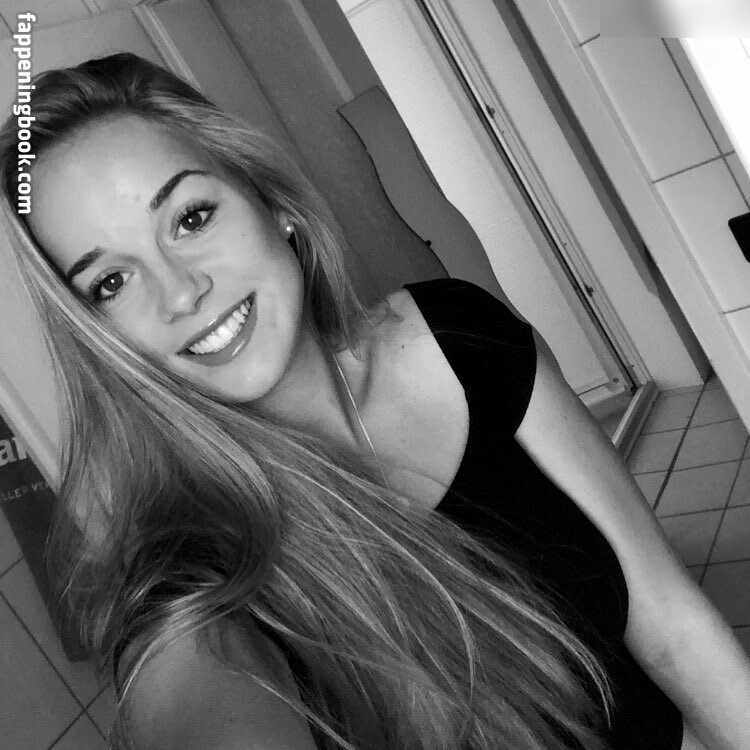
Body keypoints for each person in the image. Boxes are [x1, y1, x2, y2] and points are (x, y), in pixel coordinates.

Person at [0, 52, 747, 750]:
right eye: (111, 282)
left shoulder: (459, 337)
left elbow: (671, 624)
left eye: (191, 219)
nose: (181, 293)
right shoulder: (192, 581)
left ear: (271, 202)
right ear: (100, 337)